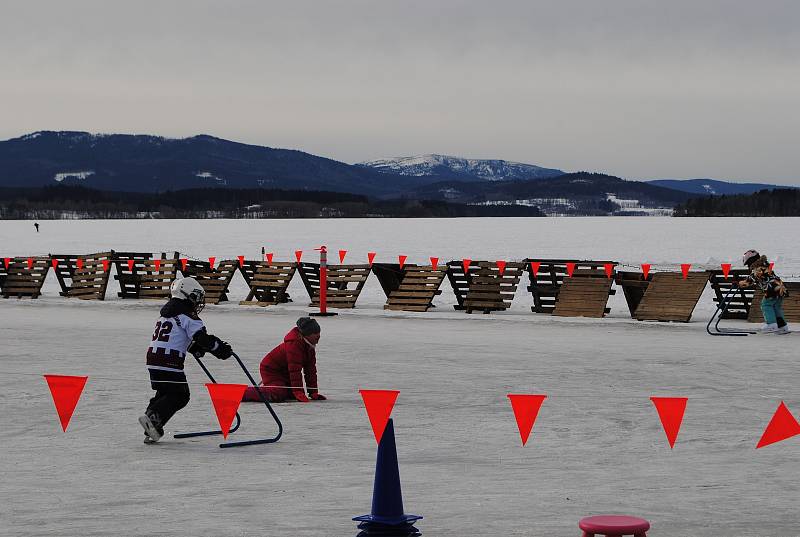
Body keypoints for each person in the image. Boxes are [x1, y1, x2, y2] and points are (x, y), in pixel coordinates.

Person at [139, 277, 233, 444]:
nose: (198, 302)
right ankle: (152, 418)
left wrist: (194, 348)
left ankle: (152, 424)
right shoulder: (188, 316)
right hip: (170, 361)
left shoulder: (166, 315)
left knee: (164, 393)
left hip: (153, 359)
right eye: (196, 297)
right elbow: (202, 338)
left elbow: (177, 338)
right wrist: (220, 349)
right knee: (180, 395)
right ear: (186, 295)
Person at [242, 317, 326, 403]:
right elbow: (294, 371)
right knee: (277, 394)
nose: (318, 335)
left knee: (289, 395)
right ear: (306, 335)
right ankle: (243, 393)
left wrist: (313, 392)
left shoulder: (309, 346)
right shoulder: (294, 345)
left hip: (285, 372)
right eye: (315, 333)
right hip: (271, 370)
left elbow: (310, 370)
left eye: (319, 332)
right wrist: (298, 392)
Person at [735, 249, 790, 334]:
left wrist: (739, 283)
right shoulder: (765, 266)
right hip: (780, 288)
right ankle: (782, 326)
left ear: (751, 261)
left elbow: (750, 280)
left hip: (772, 289)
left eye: (748, 264)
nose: (748, 266)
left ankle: (771, 325)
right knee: (776, 307)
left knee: (766, 305)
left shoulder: (758, 269)